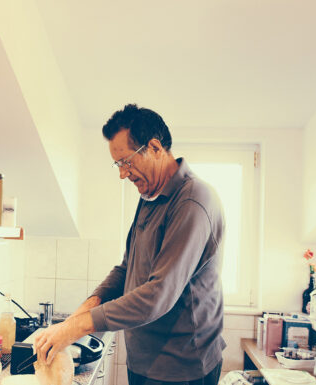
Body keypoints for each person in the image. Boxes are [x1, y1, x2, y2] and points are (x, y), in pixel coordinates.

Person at [34, 104, 226, 385]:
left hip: (181, 368)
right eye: (118, 164)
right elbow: (127, 268)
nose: (123, 174)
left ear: (155, 147)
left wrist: (77, 327)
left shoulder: (193, 201)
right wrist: (81, 312)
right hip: (145, 359)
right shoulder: (150, 195)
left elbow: (158, 295)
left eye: (126, 161)